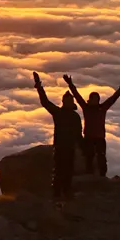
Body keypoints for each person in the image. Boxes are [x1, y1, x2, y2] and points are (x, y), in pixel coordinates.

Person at [33, 72, 84, 201]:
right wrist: (39, 87)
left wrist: (83, 147)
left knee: (67, 171)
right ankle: (58, 194)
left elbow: (78, 134)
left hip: (69, 147)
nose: (68, 102)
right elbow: (45, 102)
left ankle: (64, 193)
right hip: (61, 147)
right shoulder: (60, 113)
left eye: (70, 100)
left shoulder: (72, 116)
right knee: (60, 171)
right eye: (67, 100)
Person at [64, 74, 120, 176]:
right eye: (93, 99)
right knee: (89, 157)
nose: (95, 101)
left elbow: (113, 98)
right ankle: (90, 174)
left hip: (100, 138)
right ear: (90, 99)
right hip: (88, 138)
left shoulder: (102, 108)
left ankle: (102, 175)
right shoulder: (86, 107)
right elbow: (76, 95)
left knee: (101, 157)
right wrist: (70, 84)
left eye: (96, 99)